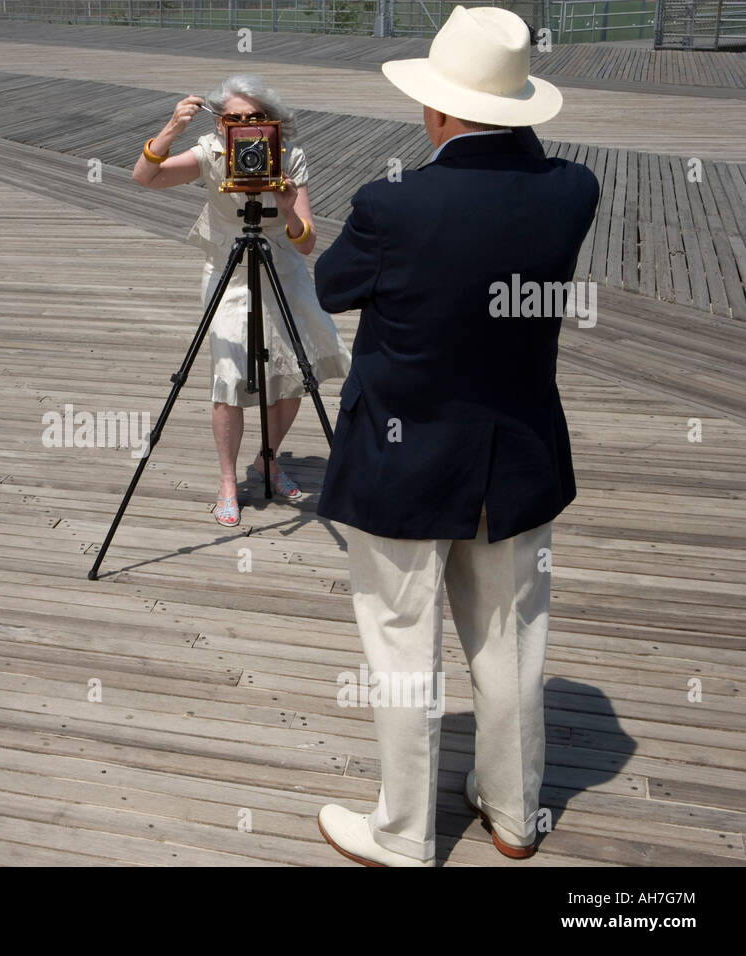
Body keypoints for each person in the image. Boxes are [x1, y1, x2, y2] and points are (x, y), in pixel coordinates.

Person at [312, 5, 600, 866]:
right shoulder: (573, 191)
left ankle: (401, 835)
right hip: (516, 454)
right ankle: (514, 815)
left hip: (399, 463)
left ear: (437, 110)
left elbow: (331, 287)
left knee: (401, 645)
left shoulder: (391, 205)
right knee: (511, 638)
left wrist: (300, 223)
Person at [132, 75, 352, 527]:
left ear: (273, 122)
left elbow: (307, 243)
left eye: (256, 119)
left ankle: (268, 461)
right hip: (229, 271)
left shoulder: (290, 157)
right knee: (229, 378)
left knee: (295, 371)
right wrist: (172, 126)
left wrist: (288, 207)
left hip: (284, 268)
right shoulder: (211, 153)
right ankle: (228, 482)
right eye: (234, 119)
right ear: (218, 123)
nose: (245, 128)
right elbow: (146, 177)